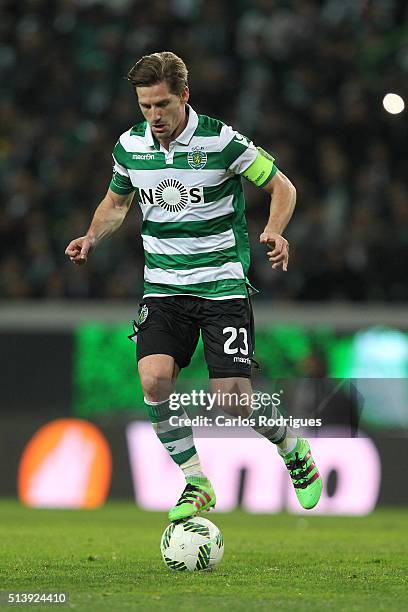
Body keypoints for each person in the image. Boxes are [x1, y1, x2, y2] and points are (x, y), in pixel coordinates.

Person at [65, 51, 322, 521]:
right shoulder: (129, 147)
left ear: (184, 95)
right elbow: (115, 205)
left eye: (162, 104)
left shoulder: (222, 141)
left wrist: (277, 229)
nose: (154, 116)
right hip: (163, 288)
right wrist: (91, 236)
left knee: (232, 400)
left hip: (221, 285)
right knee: (153, 378)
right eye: (145, 106)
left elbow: (283, 186)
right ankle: (197, 481)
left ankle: (292, 447)